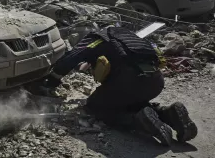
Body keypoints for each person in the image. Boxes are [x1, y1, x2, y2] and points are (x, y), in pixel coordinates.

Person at [51, 26, 197, 146]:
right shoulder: (127, 35)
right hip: (156, 81)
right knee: (130, 101)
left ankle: (136, 120)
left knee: (94, 106)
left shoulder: (95, 38)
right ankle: (168, 113)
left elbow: (71, 57)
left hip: (128, 80)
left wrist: (53, 78)